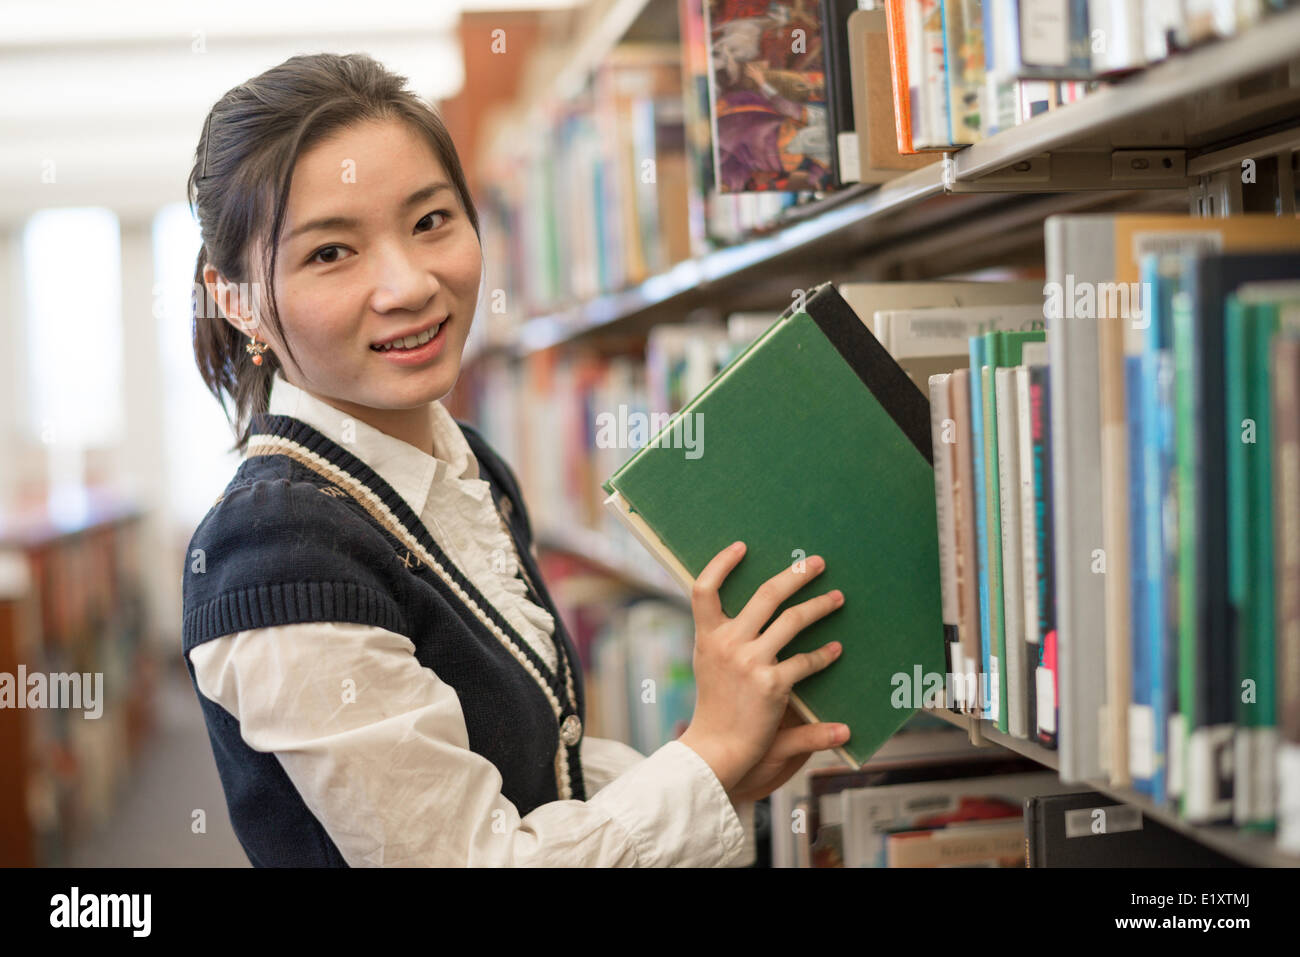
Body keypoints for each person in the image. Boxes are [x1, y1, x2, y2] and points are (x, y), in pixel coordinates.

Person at [181, 51, 848, 867]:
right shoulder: (275, 553)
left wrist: (716, 767)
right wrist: (704, 759)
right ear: (237, 298)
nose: (410, 284)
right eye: (331, 253)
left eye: (431, 221)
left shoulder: (466, 465)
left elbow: (535, 776)